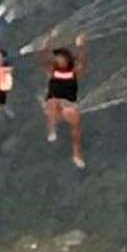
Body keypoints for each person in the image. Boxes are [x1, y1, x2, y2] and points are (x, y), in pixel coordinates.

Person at [38, 32, 87, 169]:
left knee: (75, 121)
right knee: (53, 102)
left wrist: (81, 46)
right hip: (53, 106)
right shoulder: (52, 71)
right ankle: (52, 129)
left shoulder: (73, 73)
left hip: (65, 107)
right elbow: (43, 59)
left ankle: (76, 153)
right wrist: (46, 43)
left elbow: (82, 63)